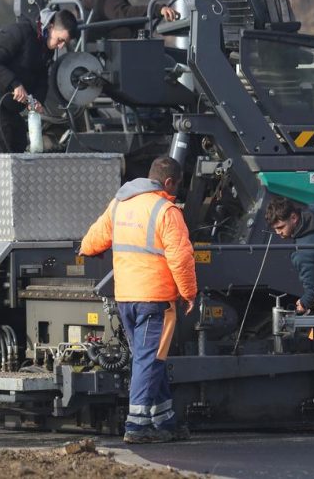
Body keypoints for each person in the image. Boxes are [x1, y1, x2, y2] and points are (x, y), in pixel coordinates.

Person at [79, 156, 197, 444]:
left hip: (126, 298)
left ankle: (165, 422)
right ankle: (137, 425)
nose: (176, 192)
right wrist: (188, 293)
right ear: (168, 182)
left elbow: (93, 241)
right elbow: (181, 258)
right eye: (176, 186)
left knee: (151, 358)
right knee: (149, 360)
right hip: (155, 299)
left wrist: (85, 251)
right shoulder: (166, 211)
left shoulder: (121, 203)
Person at [0, 9, 78, 153]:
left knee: (20, 145)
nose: (60, 46)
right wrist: (15, 84)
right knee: (2, 158)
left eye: (64, 43)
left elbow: (42, 78)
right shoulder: (20, 32)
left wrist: (37, 100)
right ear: (50, 27)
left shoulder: (46, 48)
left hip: (11, 111)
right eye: (60, 40)